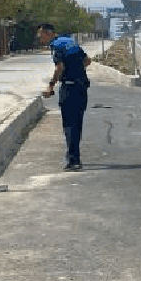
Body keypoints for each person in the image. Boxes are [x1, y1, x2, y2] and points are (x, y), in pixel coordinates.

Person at [39, 23, 91, 171]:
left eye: (41, 35)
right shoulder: (70, 42)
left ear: (48, 33)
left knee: (69, 125)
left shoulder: (56, 45)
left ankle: (74, 161)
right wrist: (76, 70)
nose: (40, 38)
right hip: (82, 87)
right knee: (77, 124)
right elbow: (87, 61)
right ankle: (75, 157)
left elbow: (59, 67)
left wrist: (51, 86)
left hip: (69, 88)